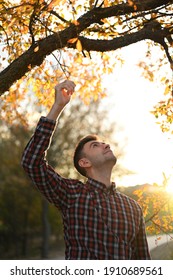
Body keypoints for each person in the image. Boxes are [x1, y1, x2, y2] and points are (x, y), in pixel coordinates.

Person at [21, 80, 151, 260]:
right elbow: (31, 162)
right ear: (84, 162)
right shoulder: (71, 194)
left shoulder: (132, 208)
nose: (105, 144)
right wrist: (58, 107)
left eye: (103, 143)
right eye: (95, 145)